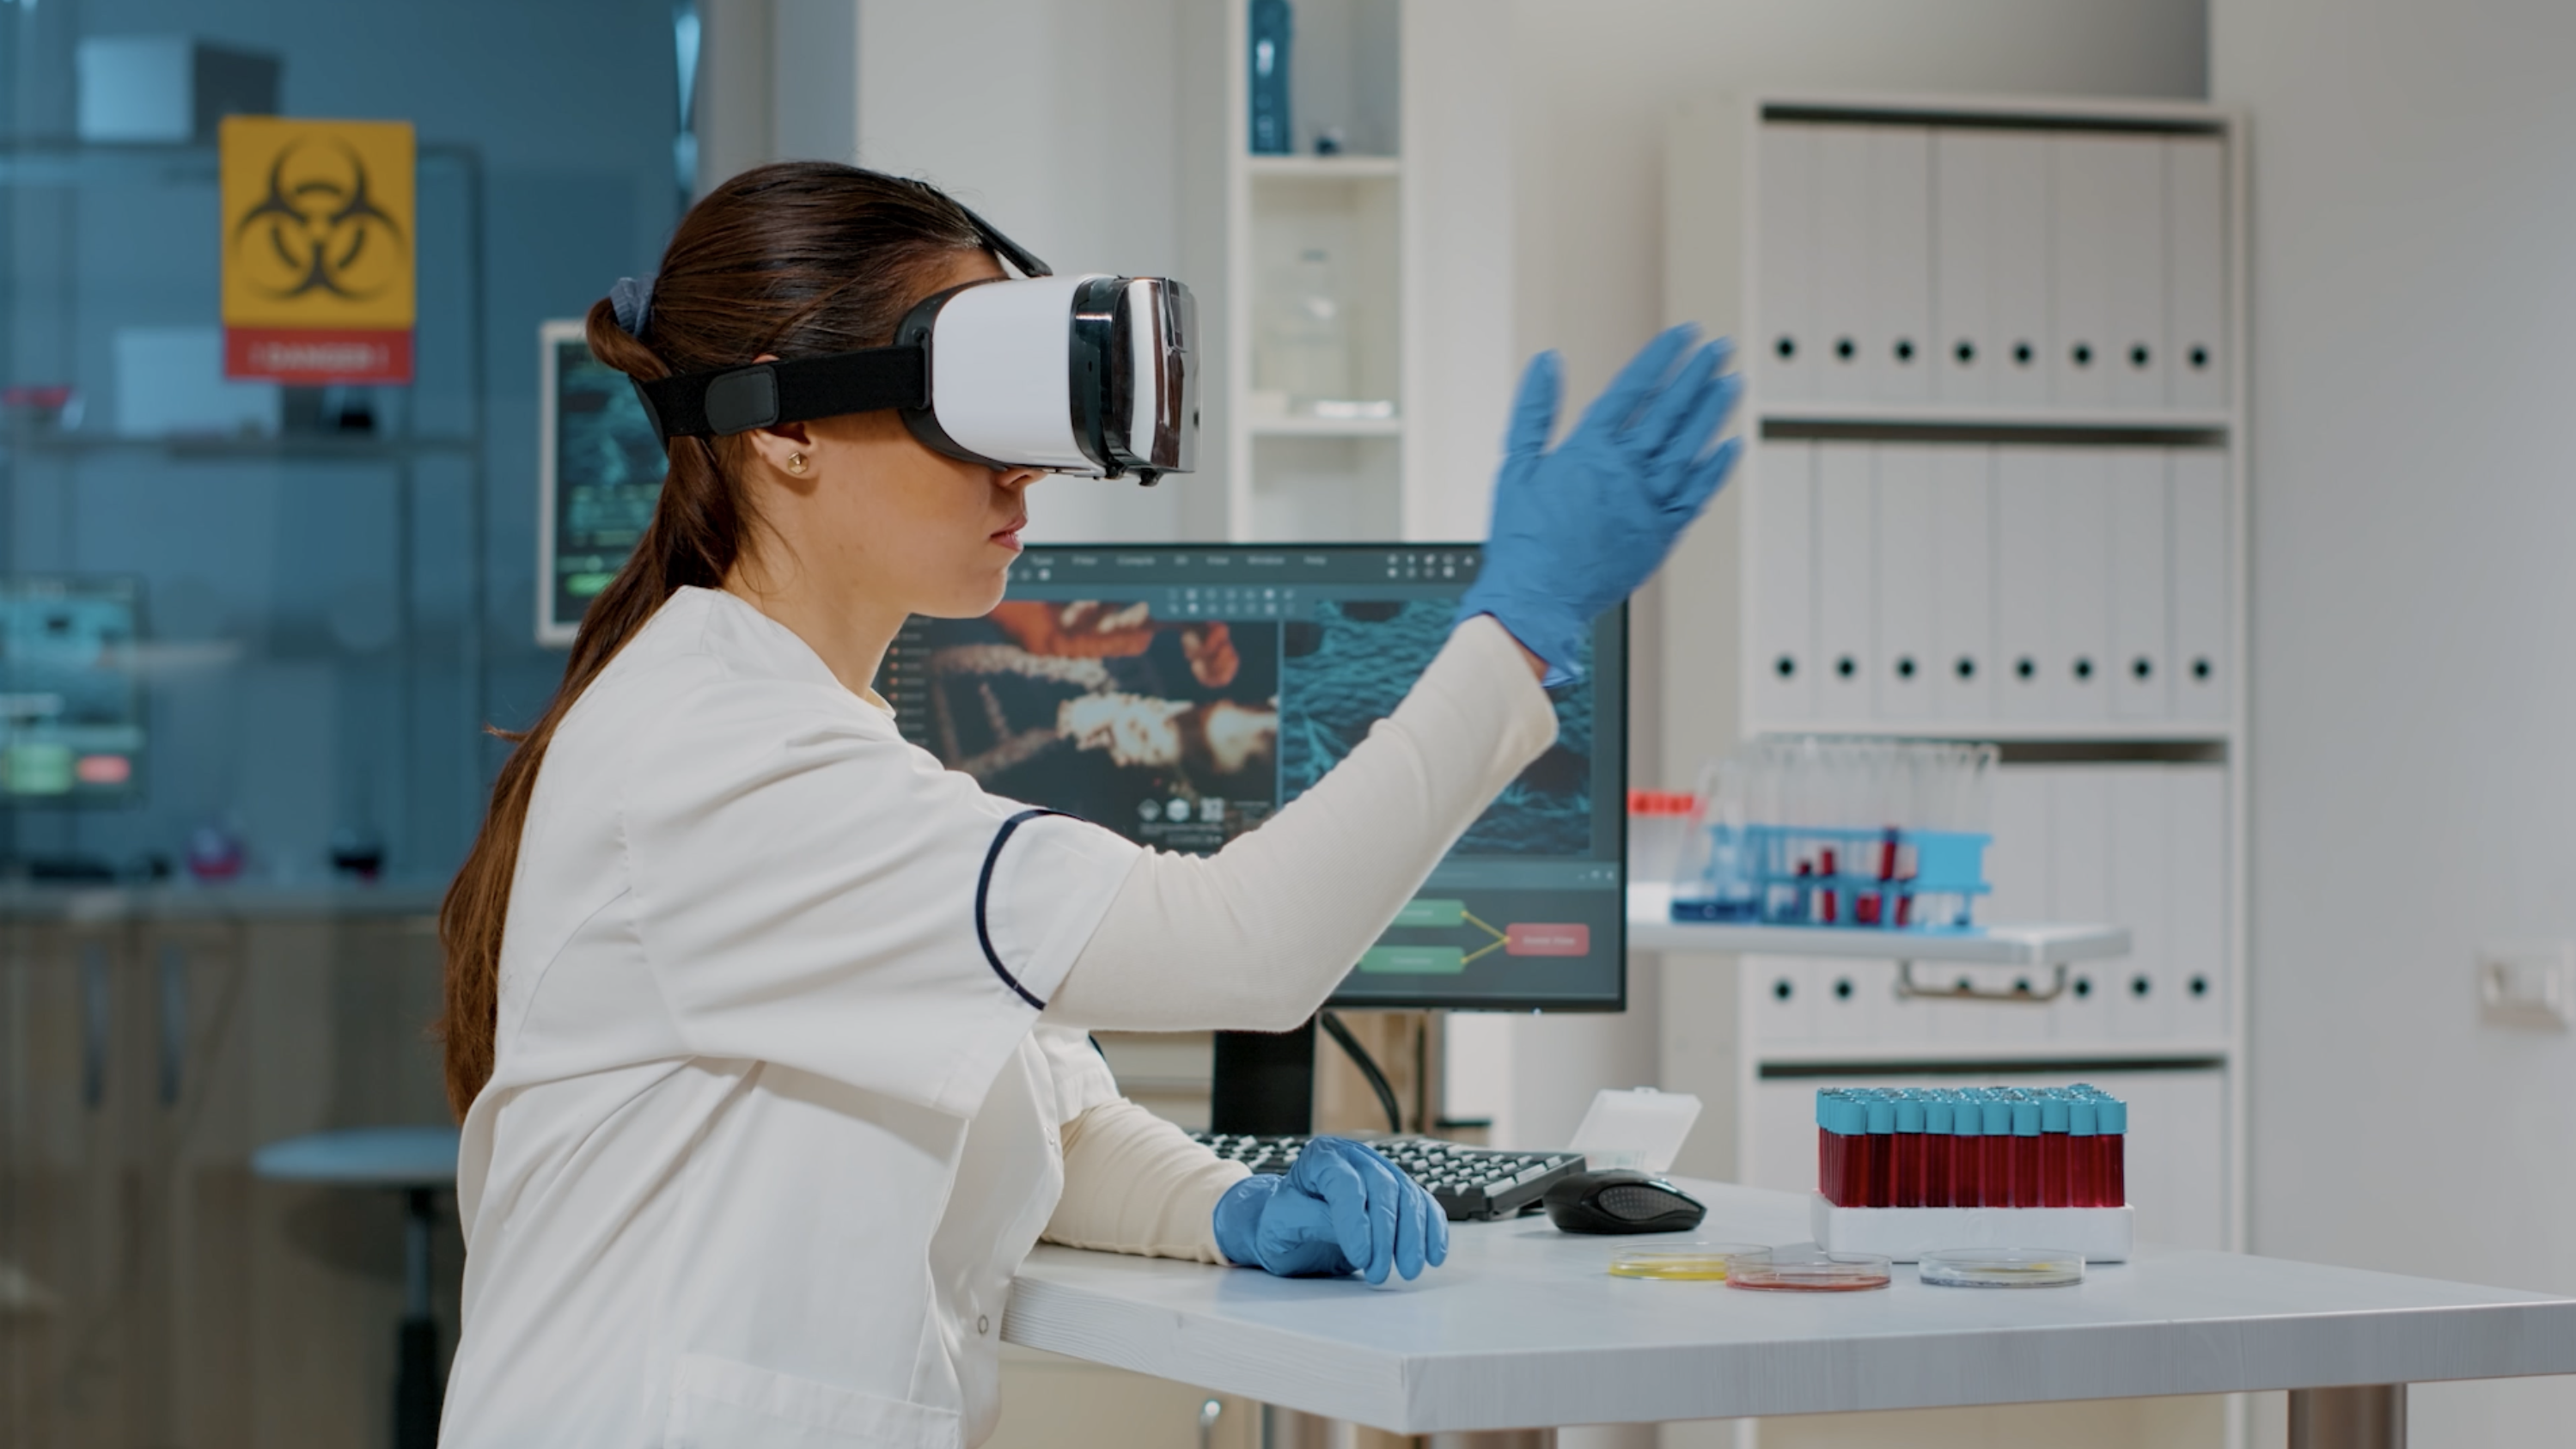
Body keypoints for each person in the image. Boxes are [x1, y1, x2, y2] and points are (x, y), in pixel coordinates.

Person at [433, 162, 1739, 1449]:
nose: (1022, 476)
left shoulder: (805, 735)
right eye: (964, 409)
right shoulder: (719, 757)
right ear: (784, 431)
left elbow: (1036, 1105)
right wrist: (1512, 635)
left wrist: (1230, 1208)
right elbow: (1248, 943)